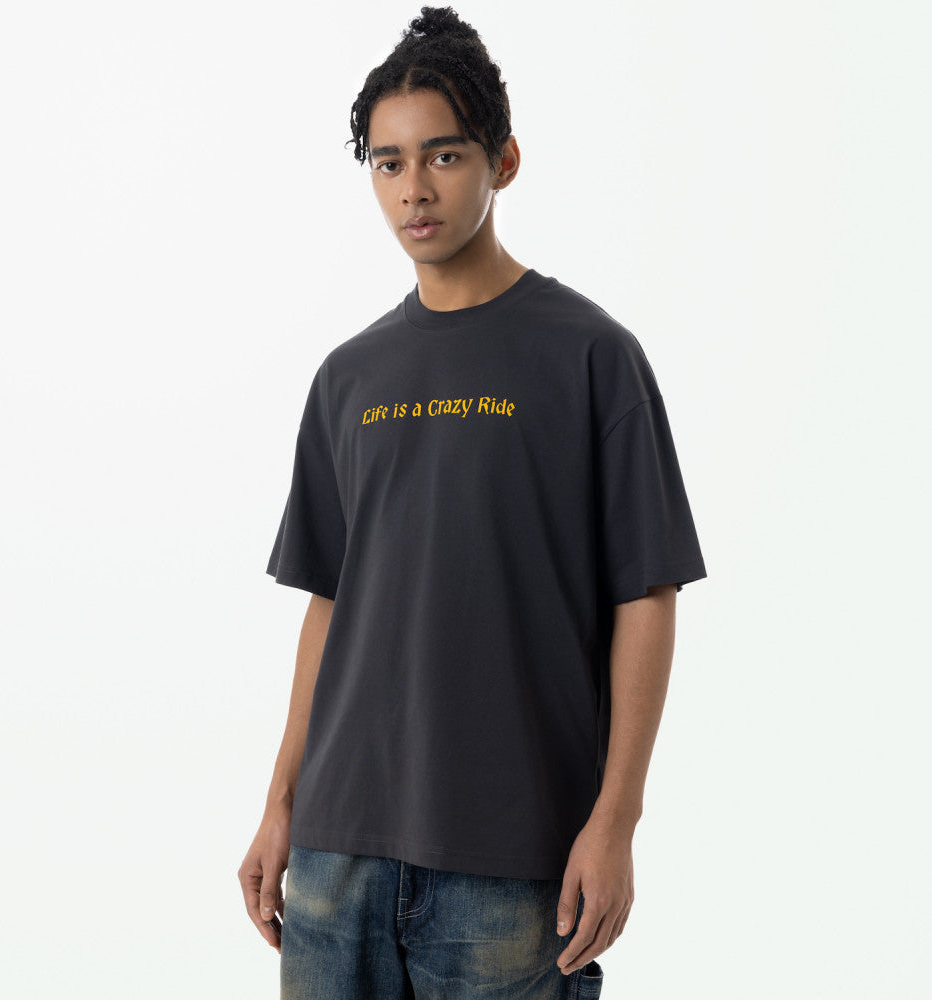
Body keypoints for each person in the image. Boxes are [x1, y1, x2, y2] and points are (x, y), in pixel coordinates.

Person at [237, 6, 707, 998]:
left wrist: (616, 821)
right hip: (336, 853)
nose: (414, 188)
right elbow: (328, 604)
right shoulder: (347, 376)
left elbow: (646, 596)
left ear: (504, 161)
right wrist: (280, 803)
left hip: (510, 858)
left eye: (443, 156)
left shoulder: (592, 358)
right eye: (388, 162)